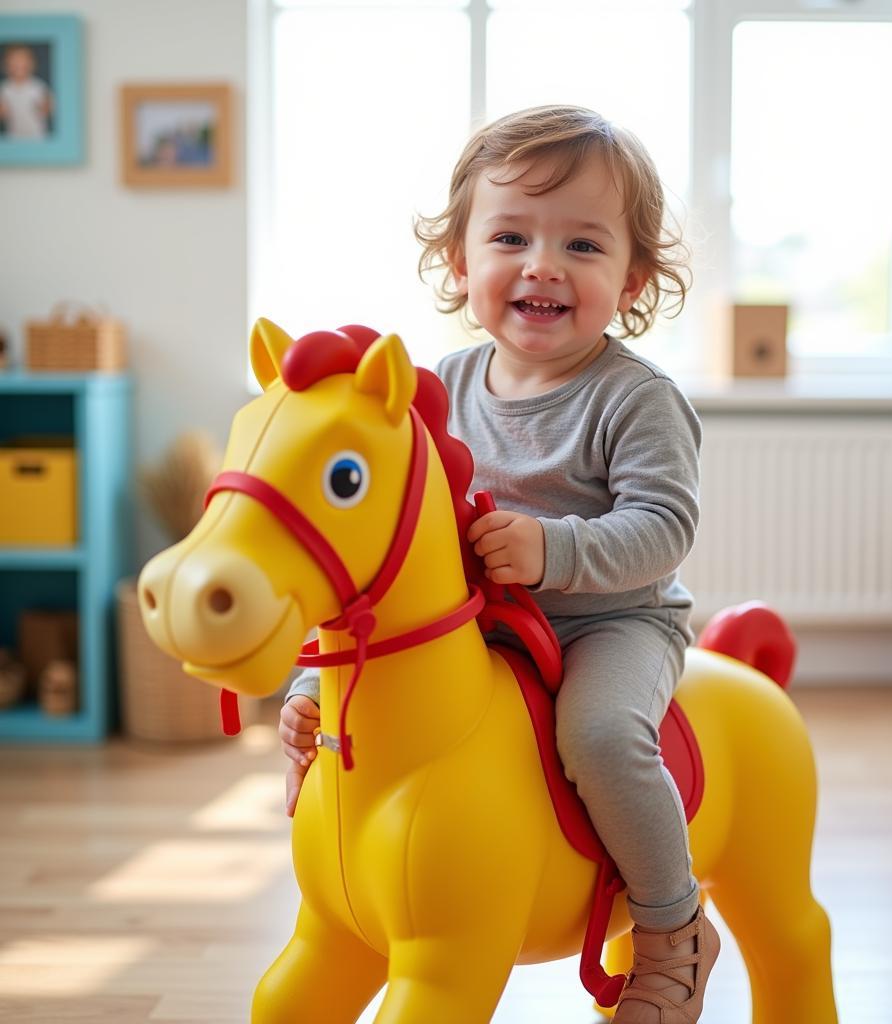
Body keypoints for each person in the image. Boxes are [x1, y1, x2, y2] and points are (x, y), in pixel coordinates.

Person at [278, 104, 717, 1022]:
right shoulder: (440, 387)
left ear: (633, 279)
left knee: (599, 738)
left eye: (584, 246)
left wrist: (551, 548)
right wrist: (310, 684)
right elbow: (386, 559)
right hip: (475, 626)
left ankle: (673, 930)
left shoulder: (636, 400)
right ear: (460, 261)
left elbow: (663, 527)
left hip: (610, 620)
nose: (543, 265)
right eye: (511, 235)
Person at [0, 44, 53, 139]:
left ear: (31, 65)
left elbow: (47, 109)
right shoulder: (5, 88)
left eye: (22, 62)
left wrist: (45, 107)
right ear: (5, 66)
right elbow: (3, 114)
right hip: (13, 136)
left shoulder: (38, 86)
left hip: (37, 135)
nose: (18, 66)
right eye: (13, 64)